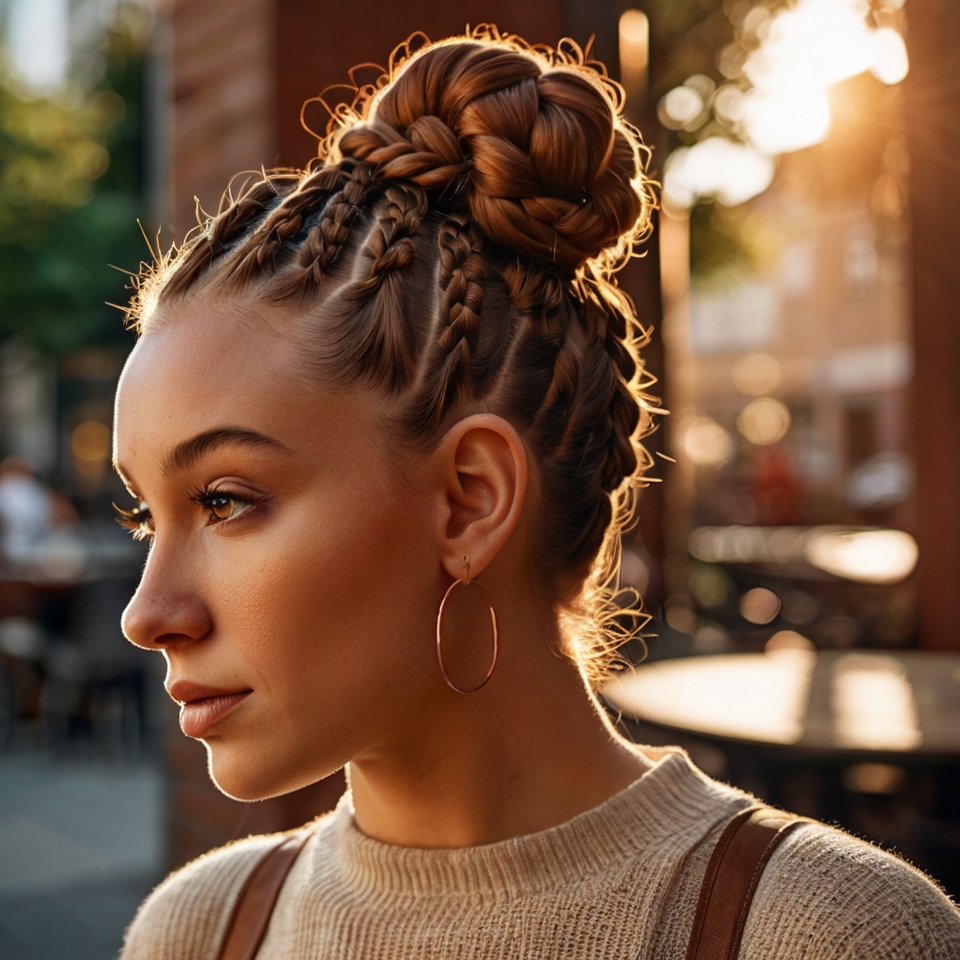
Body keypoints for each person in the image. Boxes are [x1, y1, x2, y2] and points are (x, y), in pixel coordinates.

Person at [114, 27, 959, 959]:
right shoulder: (198, 930)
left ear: (470, 501)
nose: (148, 615)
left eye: (225, 500)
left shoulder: (837, 937)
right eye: (146, 515)